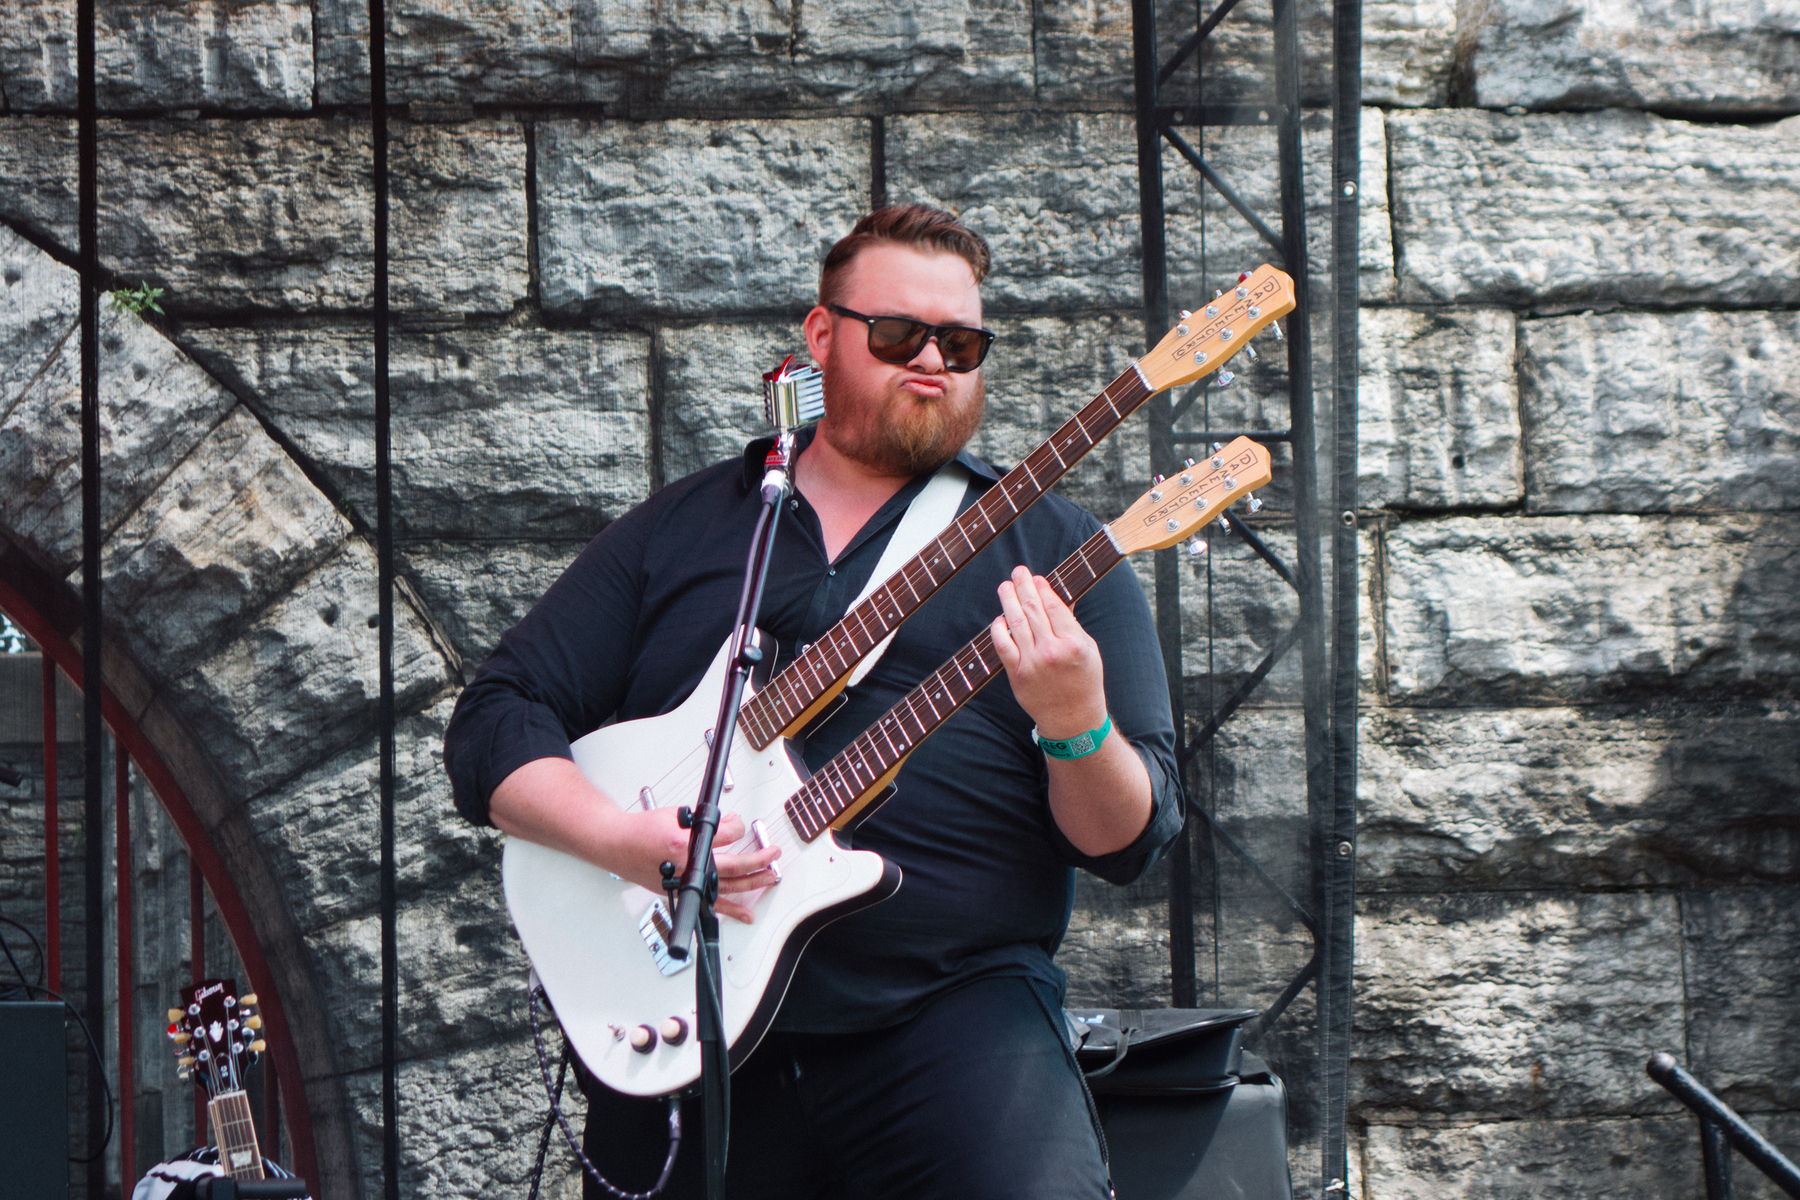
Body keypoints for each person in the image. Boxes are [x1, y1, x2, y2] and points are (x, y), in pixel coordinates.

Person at [443, 204, 1183, 1199]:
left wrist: (1075, 723)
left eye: (961, 344)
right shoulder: (694, 532)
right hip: (691, 1013)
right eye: (898, 335)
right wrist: (632, 845)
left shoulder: (1054, 551)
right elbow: (497, 716)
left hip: (952, 1012)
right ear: (822, 335)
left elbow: (1129, 840)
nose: (932, 361)